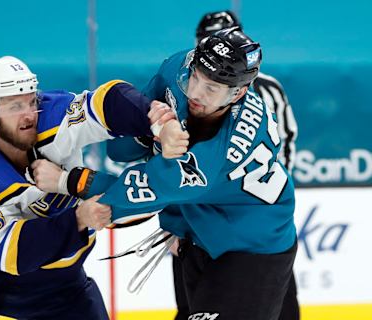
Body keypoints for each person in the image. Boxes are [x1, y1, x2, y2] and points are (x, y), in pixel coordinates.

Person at [34, 27, 297, 320]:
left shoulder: (216, 155)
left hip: (253, 250)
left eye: (211, 88)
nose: (195, 92)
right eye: (195, 76)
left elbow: (142, 192)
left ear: (239, 93)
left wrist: (66, 180)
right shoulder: (177, 68)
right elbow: (121, 151)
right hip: (200, 230)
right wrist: (153, 129)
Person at [0, 56, 167, 320]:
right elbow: (15, 255)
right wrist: (78, 219)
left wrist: (154, 118)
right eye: (14, 106)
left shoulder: (52, 115)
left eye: (31, 101)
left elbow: (108, 100)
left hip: (59, 286)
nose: (29, 115)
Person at [186, 11, 300, 320]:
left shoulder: (264, 91)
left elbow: (285, 144)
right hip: (200, 223)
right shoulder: (190, 86)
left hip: (251, 224)